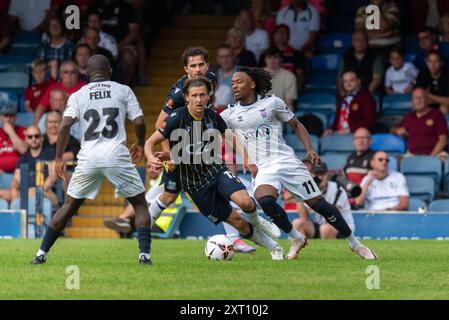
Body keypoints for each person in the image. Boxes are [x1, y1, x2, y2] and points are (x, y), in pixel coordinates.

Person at [221, 66, 377, 260]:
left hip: (286, 161)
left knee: (319, 204)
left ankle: (355, 243)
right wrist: (244, 156)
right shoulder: (229, 114)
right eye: (232, 82)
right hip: (263, 167)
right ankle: (296, 237)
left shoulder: (272, 103)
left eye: (239, 82)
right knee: (266, 201)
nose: (234, 85)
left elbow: (296, 124)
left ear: (252, 84)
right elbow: (223, 133)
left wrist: (310, 149)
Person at [31, 55, 153, 265]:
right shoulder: (123, 90)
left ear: (86, 74)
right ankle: (144, 256)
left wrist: (59, 157)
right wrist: (141, 143)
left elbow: (64, 126)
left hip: (89, 157)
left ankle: (41, 254)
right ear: (110, 72)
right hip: (116, 155)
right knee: (140, 204)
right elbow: (140, 122)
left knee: (70, 205)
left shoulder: (78, 95)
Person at [145, 77, 284, 260]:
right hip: (196, 186)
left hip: (216, 171)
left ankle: (259, 222)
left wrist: (247, 158)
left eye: (202, 95)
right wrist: (150, 158)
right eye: (194, 95)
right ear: (186, 97)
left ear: (208, 96)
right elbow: (150, 142)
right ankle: (275, 247)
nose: (199, 99)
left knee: (246, 202)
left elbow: (231, 136)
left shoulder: (212, 116)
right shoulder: (176, 118)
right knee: (239, 224)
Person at [292, 161, 355, 239]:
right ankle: (303, 249)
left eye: (322, 174)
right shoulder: (308, 190)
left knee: (325, 229)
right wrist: (299, 196)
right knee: (297, 223)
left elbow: (333, 216)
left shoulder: (337, 190)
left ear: (327, 174)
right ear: (311, 175)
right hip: (320, 226)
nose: (320, 177)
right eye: (317, 174)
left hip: (341, 227)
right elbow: (304, 218)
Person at [88, 0, 142, 85]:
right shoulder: (94, 6)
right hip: (102, 49)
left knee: (127, 56)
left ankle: (126, 85)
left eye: (96, 21)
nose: (93, 23)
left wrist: (116, 46)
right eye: (91, 21)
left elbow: (134, 32)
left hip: (120, 45)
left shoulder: (126, 7)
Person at [391, 88, 448, 161]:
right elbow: (392, 130)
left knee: (443, 160)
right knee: (396, 161)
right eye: (416, 98)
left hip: (435, 154)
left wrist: (431, 157)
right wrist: (396, 131)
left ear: (427, 100)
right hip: (412, 154)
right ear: (412, 100)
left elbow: (443, 140)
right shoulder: (409, 117)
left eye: (421, 97)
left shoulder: (437, 115)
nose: (418, 100)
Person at [10, 125, 58, 206]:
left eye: (36, 136)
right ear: (26, 139)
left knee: (29, 194)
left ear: (42, 138)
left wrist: (38, 191)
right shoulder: (23, 158)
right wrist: (14, 189)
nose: (33, 139)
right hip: (26, 194)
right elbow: (16, 180)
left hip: (48, 193)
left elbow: (53, 175)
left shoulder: (51, 152)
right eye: (30, 137)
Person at [324, 69, 377, 136]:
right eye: (345, 81)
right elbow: (337, 120)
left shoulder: (366, 98)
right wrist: (331, 130)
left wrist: (351, 129)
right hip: (339, 135)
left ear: (359, 81)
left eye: (351, 80)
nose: (348, 84)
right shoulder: (342, 99)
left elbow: (370, 122)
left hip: (356, 135)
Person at [338, 30, 384, 96]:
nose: (360, 43)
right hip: (349, 94)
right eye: (357, 40)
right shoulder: (346, 57)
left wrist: (364, 96)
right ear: (352, 42)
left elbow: (377, 80)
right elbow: (340, 79)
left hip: (369, 94)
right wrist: (343, 94)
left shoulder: (375, 56)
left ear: (367, 42)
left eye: (363, 40)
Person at [272, 24, 306, 91]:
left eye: (284, 32)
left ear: (289, 37)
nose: (281, 35)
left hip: (289, 90)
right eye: (278, 32)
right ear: (273, 36)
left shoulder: (297, 54)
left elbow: (300, 76)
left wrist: (294, 92)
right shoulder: (266, 55)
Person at [0, 99, 27, 174]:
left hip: (19, 172)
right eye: (6, 116)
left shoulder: (23, 131)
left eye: (11, 116)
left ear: (15, 117)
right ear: (1, 117)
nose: (8, 119)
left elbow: (23, 150)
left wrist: (11, 132)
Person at [214, 44, 237, 112]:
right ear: (218, 59)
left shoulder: (241, 74)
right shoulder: (214, 75)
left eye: (228, 56)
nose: (225, 60)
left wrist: (228, 107)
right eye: (221, 57)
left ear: (233, 57)